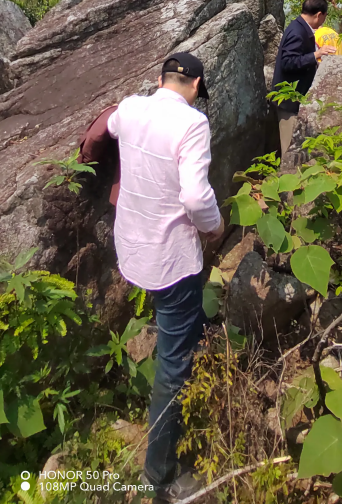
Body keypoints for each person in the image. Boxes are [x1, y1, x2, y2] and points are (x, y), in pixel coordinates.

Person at [108, 52, 224, 502]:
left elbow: (114, 126)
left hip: (132, 249)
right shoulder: (193, 124)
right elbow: (196, 197)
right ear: (195, 85)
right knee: (174, 368)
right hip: (171, 260)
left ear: (160, 79)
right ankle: (159, 474)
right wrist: (213, 226)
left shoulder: (132, 106)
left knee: (171, 330)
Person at [272, 0, 336, 159]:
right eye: (324, 16)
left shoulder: (299, 27)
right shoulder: (298, 31)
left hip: (293, 97)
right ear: (319, 14)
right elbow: (288, 62)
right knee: (290, 149)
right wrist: (316, 55)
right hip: (288, 100)